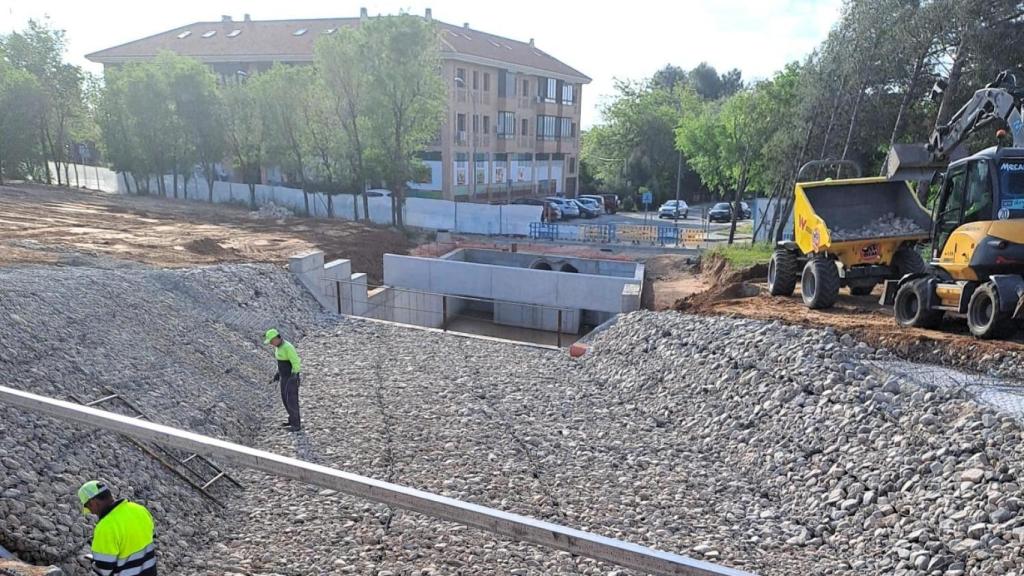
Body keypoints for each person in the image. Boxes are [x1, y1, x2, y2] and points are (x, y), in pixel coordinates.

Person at [78, 480, 157, 576]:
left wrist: (97, 562)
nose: (91, 512)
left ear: (93, 502)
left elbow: (104, 570)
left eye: (88, 507)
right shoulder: (140, 509)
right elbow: (150, 536)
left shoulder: (105, 527)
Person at [264, 328, 302, 432]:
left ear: (277, 338)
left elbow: (296, 362)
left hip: (291, 377)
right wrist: (278, 374)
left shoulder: (288, 347)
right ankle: (291, 420)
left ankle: (296, 425)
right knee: (285, 399)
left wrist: (295, 375)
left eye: (272, 341)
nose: (271, 343)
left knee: (292, 400)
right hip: (284, 377)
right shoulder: (278, 347)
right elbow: (281, 363)